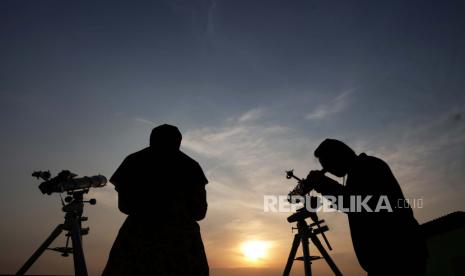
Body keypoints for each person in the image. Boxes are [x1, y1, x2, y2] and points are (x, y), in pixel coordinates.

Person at [305, 139, 428, 276]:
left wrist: (325, 185)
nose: (327, 170)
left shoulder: (366, 167)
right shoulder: (362, 168)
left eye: (327, 165)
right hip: (392, 255)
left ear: (338, 157)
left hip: (396, 255)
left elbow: (357, 204)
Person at [102, 124, 209, 276]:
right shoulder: (191, 166)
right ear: (178, 141)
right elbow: (199, 212)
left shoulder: (134, 161)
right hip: (182, 244)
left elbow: (125, 206)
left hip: (137, 240)